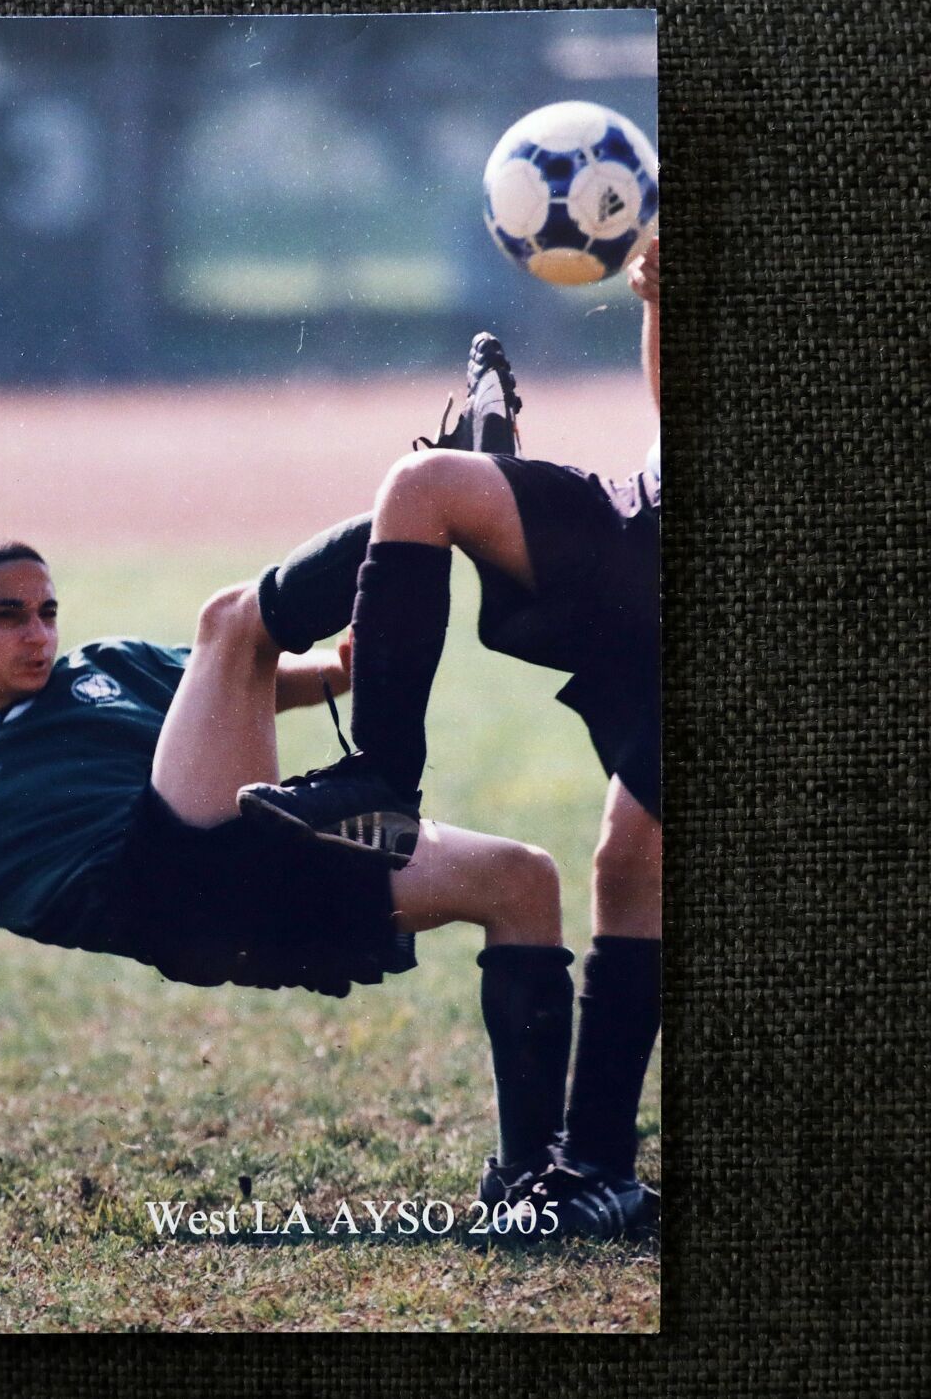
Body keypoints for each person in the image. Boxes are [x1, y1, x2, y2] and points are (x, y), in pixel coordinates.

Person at [0, 540, 590, 1240]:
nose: (37, 634)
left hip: (256, 880)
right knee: (232, 619)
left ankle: (530, 1180)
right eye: (7, 616)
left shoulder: (104, 668)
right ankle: (435, 500)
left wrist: (341, 672)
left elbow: (245, 681)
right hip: (164, 894)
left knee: (521, 879)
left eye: (47, 612)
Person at [239, 237, 662, 1241]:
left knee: (629, 859)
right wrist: (659, 304)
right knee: (422, 488)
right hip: (638, 533)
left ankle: (595, 1166)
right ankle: (380, 781)